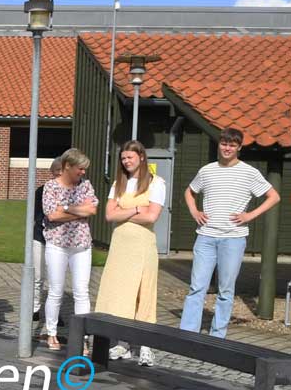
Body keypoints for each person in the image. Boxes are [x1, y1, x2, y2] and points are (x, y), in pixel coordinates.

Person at [180, 127, 280, 338]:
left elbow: (273, 196)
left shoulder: (249, 172)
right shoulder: (207, 170)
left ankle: (218, 335)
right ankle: (187, 334)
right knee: (197, 287)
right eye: (224, 143)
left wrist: (250, 215)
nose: (227, 148)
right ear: (219, 145)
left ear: (239, 148)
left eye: (232, 145)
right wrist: (194, 211)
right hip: (206, 236)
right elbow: (189, 191)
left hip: (233, 239)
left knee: (226, 290)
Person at [95, 141, 166, 366]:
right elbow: (108, 215)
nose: (126, 161)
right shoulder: (119, 183)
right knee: (121, 292)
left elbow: (152, 216)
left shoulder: (156, 183)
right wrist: (135, 209)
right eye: (123, 158)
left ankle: (145, 346)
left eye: (130, 157)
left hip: (142, 244)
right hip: (121, 245)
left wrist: (121, 212)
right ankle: (123, 344)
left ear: (141, 157)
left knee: (143, 292)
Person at [42, 148, 98, 351]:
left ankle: (82, 338)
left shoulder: (86, 185)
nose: (83, 173)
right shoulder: (51, 186)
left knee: (81, 292)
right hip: (57, 244)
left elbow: (92, 209)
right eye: (80, 169)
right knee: (56, 291)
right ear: (68, 166)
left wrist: (65, 208)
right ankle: (51, 333)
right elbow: (51, 216)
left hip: (82, 245)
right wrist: (78, 211)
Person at [32, 157, 63, 323]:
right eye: (56, 172)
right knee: (38, 275)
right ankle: (35, 308)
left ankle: (55, 312)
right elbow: (39, 215)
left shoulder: (69, 191)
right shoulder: (41, 191)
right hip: (40, 236)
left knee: (55, 278)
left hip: (59, 240)